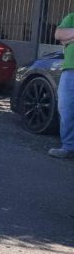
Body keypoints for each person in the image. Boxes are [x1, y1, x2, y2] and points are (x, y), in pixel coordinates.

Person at [49, 12, 74, 159]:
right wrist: (65, 37)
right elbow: (58, 35)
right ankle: (68, 146)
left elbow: (65, 38)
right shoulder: (71, 17)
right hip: (70, 71)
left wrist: (69, 38)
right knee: (65, 108)